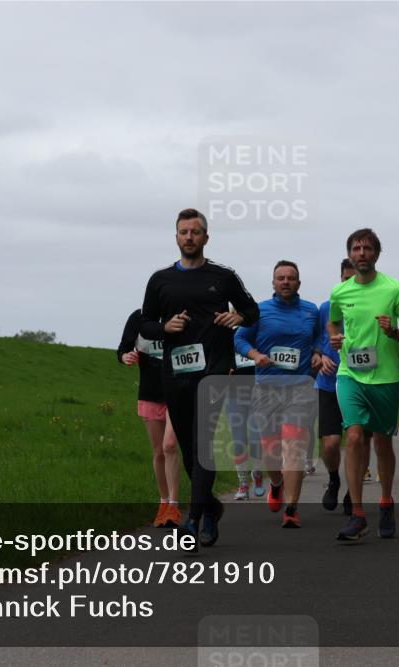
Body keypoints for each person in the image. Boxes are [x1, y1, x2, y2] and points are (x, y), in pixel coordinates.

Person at [140, 209, 259, 550]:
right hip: (175, 374)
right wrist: (164, 327)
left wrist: (237, 316)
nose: (189, 237)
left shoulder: (223, 276)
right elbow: (145, 323)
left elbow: (252, 311)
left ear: (206, 237)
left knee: (203, 443)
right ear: (176, 237)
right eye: (183, 232)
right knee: (190, 449)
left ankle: (195, 518)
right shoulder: (160, 280)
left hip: (215, 370)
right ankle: (211, 507)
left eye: (195, 232)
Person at [328, 228, 399, 540]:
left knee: (382, 442)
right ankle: (357, 513)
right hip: (349, 374)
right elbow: (333, 321)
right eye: (356, 248)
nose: (361, 253)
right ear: (350, 255)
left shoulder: (395, 290)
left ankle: (386, 500)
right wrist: (334, 338)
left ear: (376, 254)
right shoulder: (340, 293)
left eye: (367, 248)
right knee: (353, 438)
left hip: (385, 379)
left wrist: (393, 331)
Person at [235, 261, 324, 528]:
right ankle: (276, 483)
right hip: (267, 388)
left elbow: (319, 338)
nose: (286, 282)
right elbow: (239, 340)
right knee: (270, 450)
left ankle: (292, 508)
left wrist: (318, 353)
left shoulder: (311, 310)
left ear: (299, 282)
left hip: (299, 387)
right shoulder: (259, 311)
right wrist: (256, 355)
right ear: (273, 283)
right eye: (280, 278)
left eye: (291, 278)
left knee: (294, 446)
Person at [117, 309, 181, 527]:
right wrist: (126, 356)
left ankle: (174, 505)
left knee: (170, 445)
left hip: (178, 392)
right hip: (149, 393)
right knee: (158, 452)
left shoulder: (182, 316)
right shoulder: (139, 317)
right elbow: (123, 349)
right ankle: (163, 502)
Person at [317, 260, 356, 514]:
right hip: (329, 384)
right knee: (330, 444)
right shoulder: (326, 308)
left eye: (354, 280)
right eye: (345, 279)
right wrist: (320, 356)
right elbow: (312, 339)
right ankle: (333, 479)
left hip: (359, 385)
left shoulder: (371, 309)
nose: (349, 284)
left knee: (356, 441)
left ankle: (354, 491)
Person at [227, 351, 264, 500]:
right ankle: (243, 484)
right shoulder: (225, 330)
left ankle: (257, 473)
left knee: (256, 438)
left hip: (258, 391)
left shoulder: (254, 328)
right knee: (238, 441)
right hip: (233, 392)